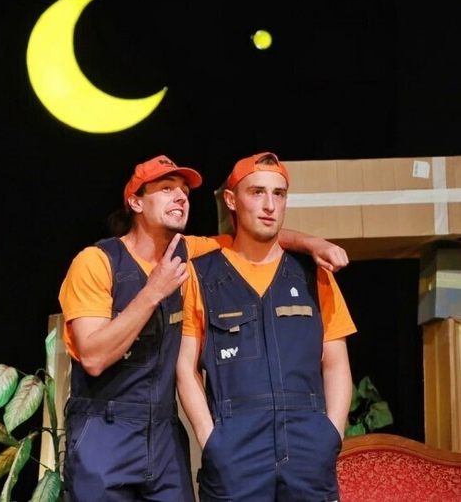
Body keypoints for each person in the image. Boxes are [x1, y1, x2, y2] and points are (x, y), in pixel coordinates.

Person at [58, 154, 349, 502]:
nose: (180, 197)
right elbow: (93, 358)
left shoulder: (188, 252)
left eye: (184, 191)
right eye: (167, 189)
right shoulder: (96, 261)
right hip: (105, 427)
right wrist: (153, 292)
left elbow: (257, 234)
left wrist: (313, 243)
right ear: (135, 202)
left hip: (163, 433)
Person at [176, 151, 356, 501]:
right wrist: (211, 440)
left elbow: (336, 363)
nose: (270, 205)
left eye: (279, 194)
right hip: (235, 452)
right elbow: (185, 366)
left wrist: (330, 434)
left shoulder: (313, 274)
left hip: (308, 448)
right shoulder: (203, 275)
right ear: (232, 200)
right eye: (257, 192)